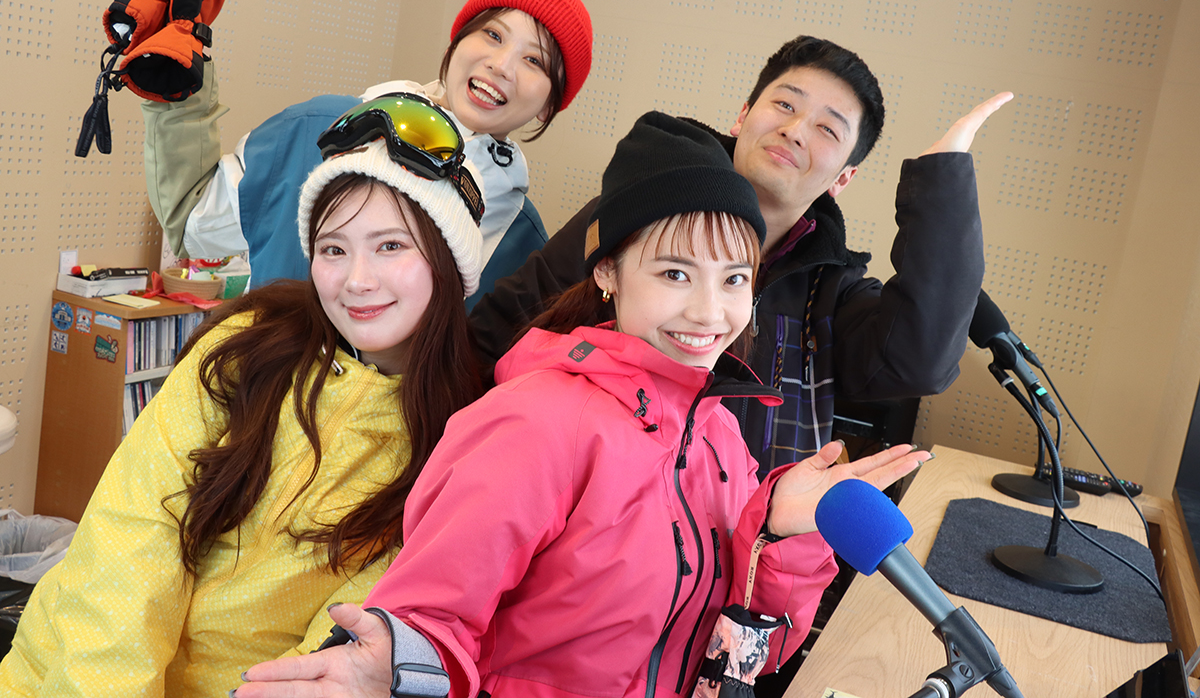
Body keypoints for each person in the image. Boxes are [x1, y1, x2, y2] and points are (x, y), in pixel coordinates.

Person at [235, 112, 932, 698]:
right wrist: (392, 663)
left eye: (733, 279)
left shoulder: (719, 437)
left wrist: (776, 534)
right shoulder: (533, 423)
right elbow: (432, 620)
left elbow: (741, 661)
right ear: (608, 274)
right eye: (674, 273)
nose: (709, 311)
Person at [0, 98, 487, 697]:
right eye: (333, 249)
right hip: (69, 674)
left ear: (448, 259)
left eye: (390, 246)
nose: (357, 280)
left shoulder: (458, 443)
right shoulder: (248, 346)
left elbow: (332, 650)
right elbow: (132, 535)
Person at [470, 35, 1012, 473]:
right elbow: (497, 336)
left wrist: (942, 183)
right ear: (743, 115)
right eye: (784, 105)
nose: (794, 131)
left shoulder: (831, 290)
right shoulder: (636, 216)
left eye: (827, 128)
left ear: (843, 178)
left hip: (752, 549)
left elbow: (920, 361)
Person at [144, 0, 593, 306]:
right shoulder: (317, 128)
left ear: (548, 106)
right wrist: (179, 95)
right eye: (493, 35)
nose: (502, 65)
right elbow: (194, 226)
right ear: (455, 44)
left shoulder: (522, 245)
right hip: (261, 397)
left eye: (535, 61)